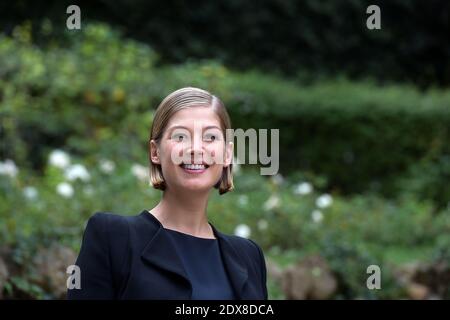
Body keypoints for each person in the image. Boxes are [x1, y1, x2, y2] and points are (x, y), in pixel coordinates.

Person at [67, 87, 268, 299]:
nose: (196, 149)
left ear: (227, 154)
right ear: (155, 152)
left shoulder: (248, 255)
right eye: (180, 136)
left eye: (210, 137)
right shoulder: (113, 237)